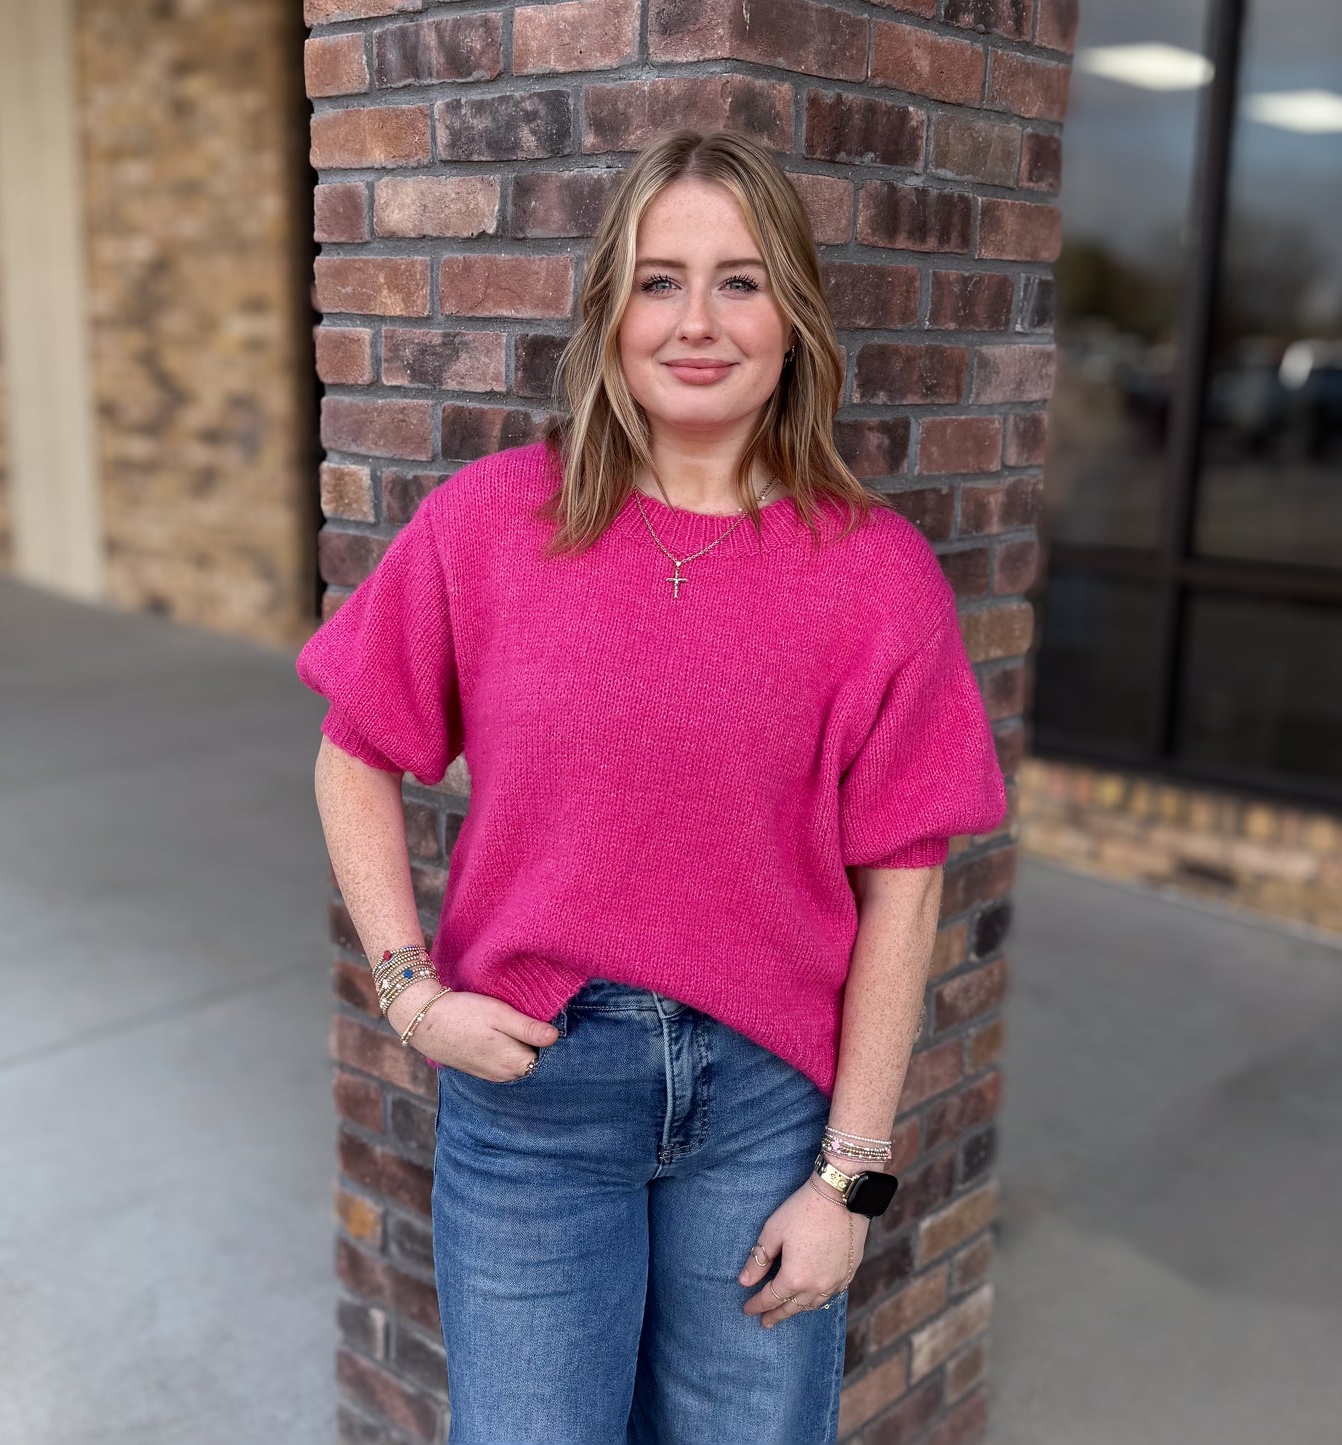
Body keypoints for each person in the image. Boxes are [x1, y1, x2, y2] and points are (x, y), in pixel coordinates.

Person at [297, 127, 1008, 1445]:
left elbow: (903, 884)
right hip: (533, 1097)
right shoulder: (484, 524)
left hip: (766, 1106)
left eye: (738, 281)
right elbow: (354, 754)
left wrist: (847, 1179)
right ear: (607, 311)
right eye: (657, 278)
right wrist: (409, 994)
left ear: (791, 318)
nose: (697, 320)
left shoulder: (875, 574)